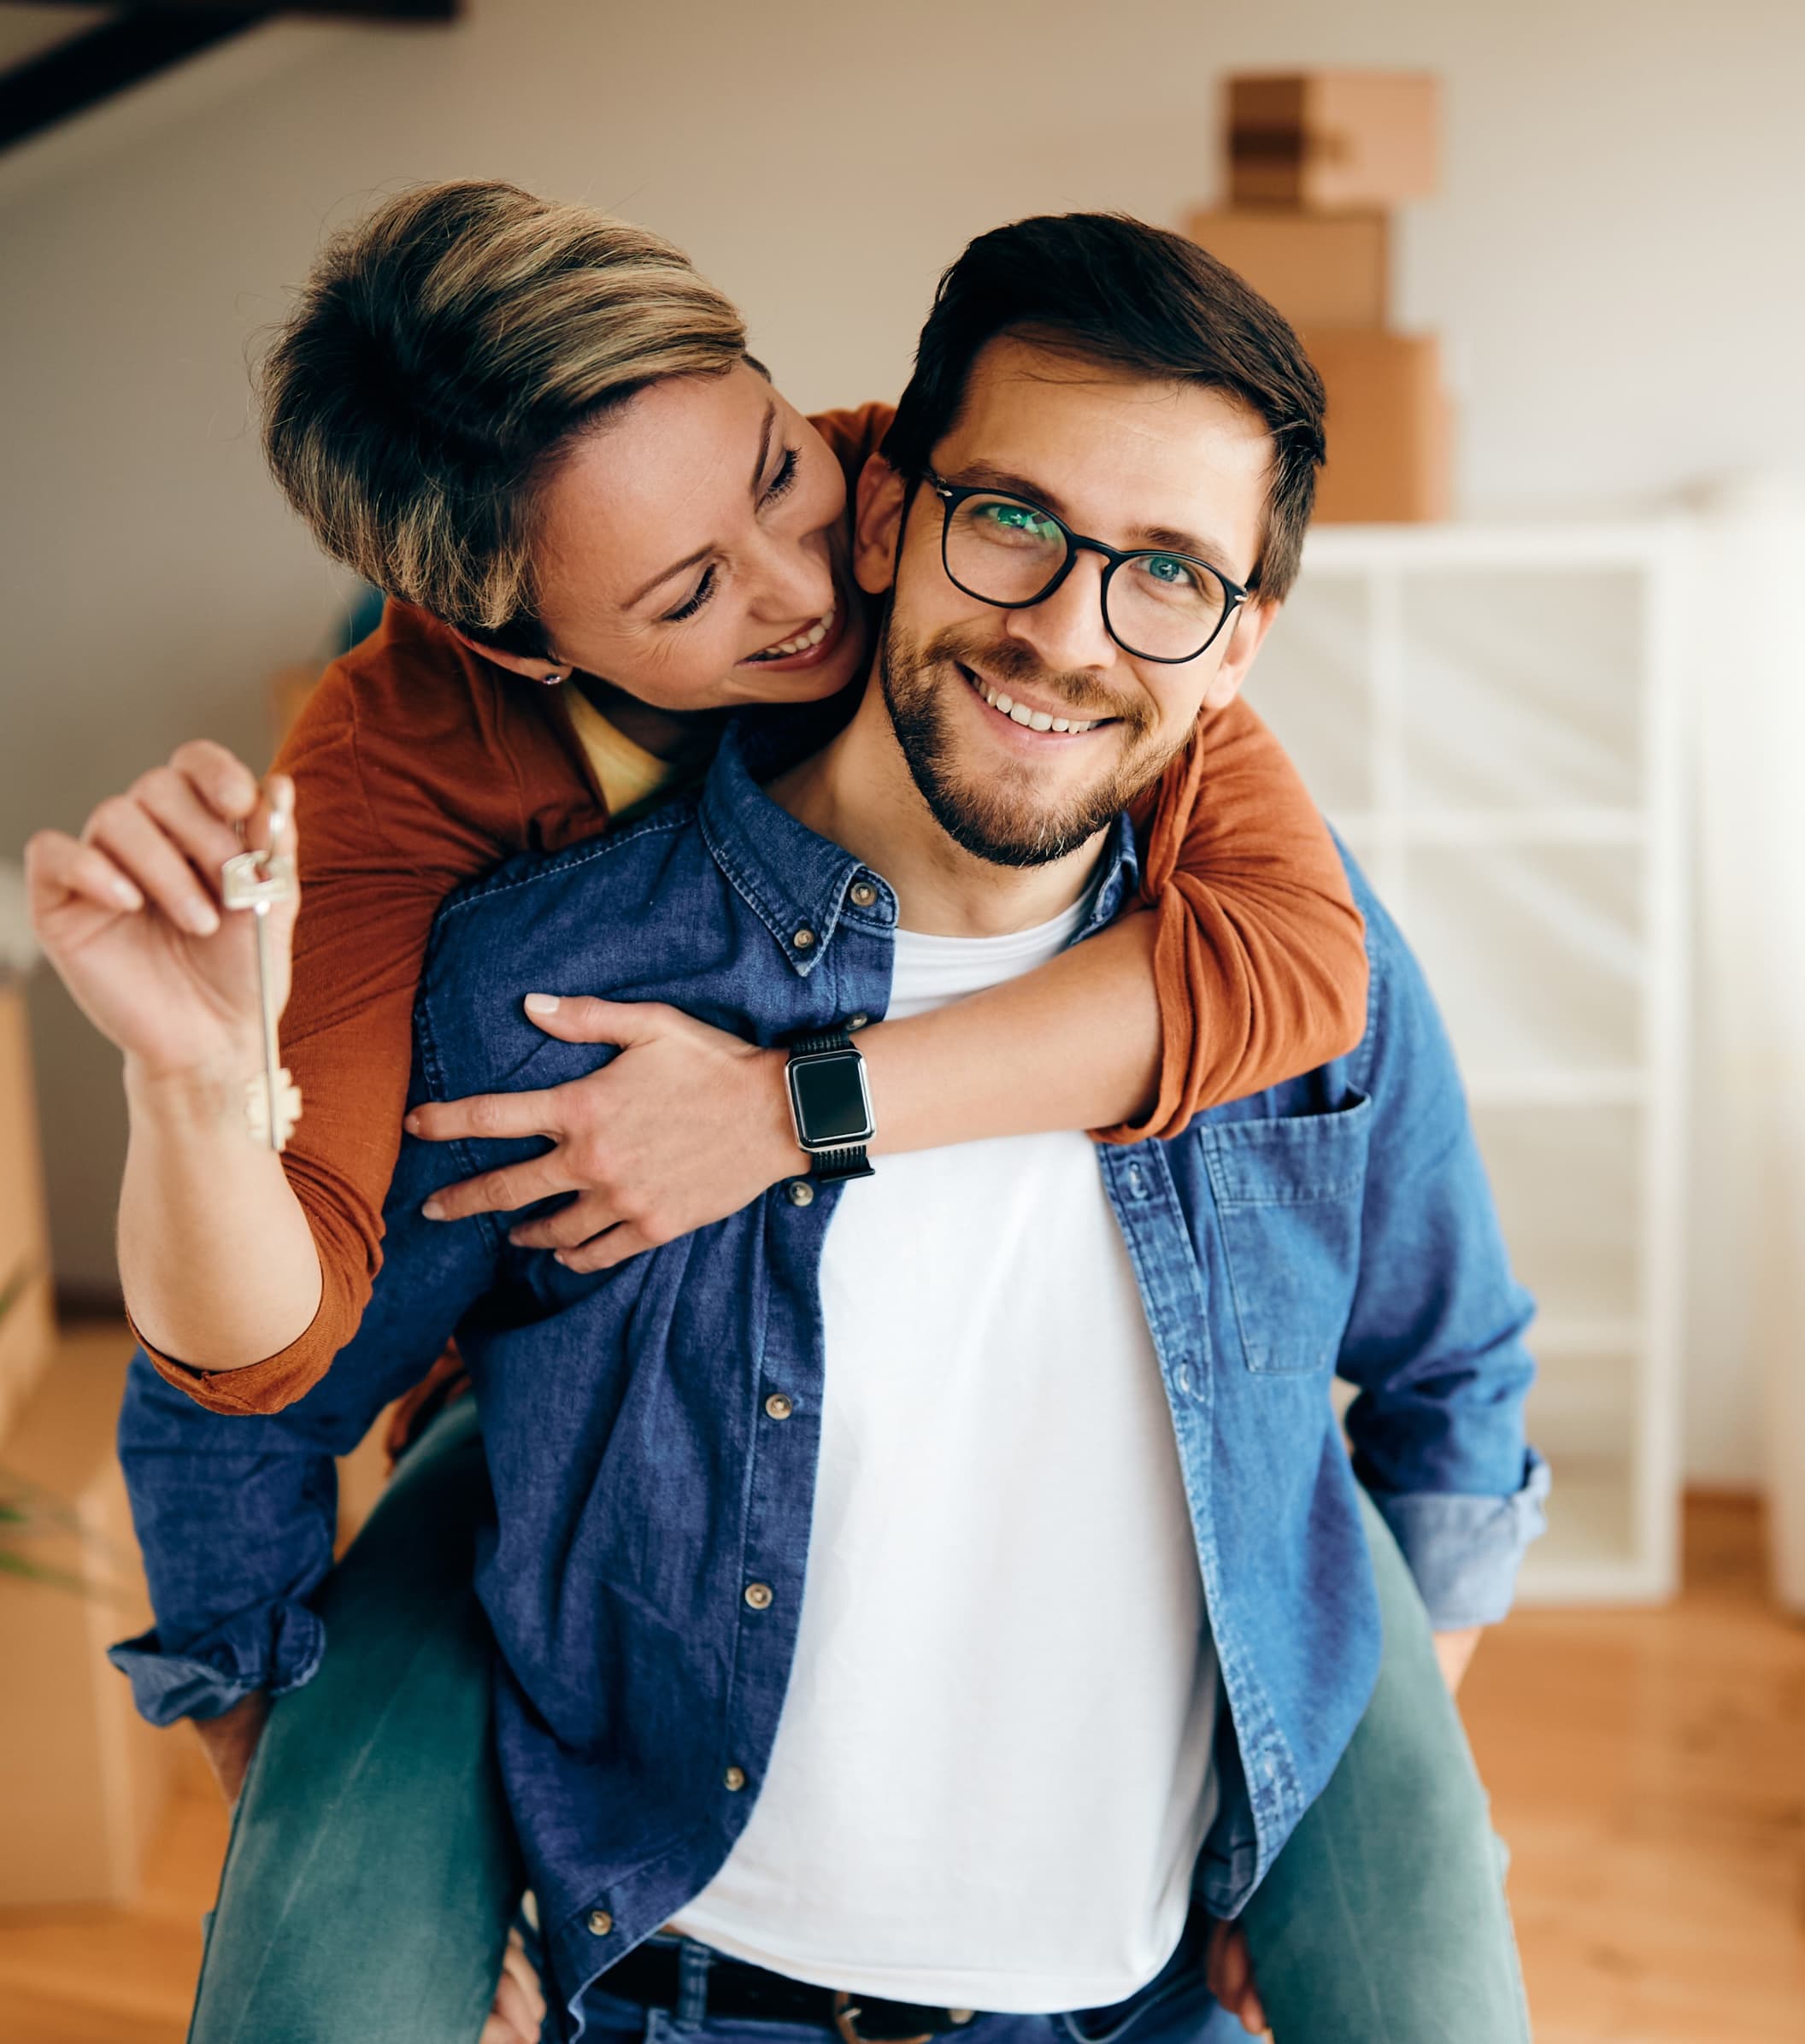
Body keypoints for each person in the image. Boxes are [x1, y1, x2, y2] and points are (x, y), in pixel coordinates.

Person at [28, 193, 1532, 2044]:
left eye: (1166, 574)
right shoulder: (510, 932)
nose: (1066, 627)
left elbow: (1451, 1364)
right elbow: (251, 1380)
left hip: (1141, 1998)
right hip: (679, 1985)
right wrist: (321, 1824)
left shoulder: (1276, 913)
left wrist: (1335, 1816)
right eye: (1013, 529)